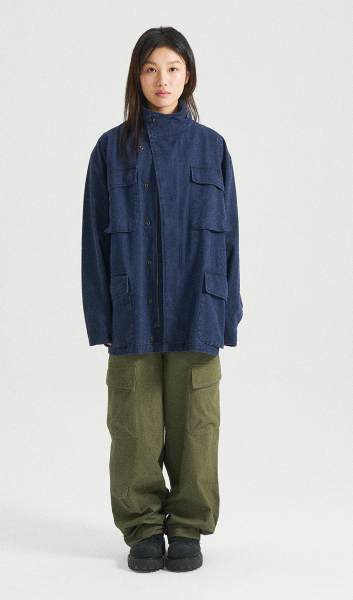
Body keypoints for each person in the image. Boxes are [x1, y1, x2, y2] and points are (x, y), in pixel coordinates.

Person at [81, 26, 243, 572]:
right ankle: (144, 528)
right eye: (150, 69)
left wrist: (227, 313)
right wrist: (101, 317)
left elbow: (231, 238)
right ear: (137, 76)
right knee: (134, 428)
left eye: (173, 68)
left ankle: (189, 528)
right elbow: (93, 240)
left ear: (188, 75)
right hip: (132, 314)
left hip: (199, 310)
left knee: (198, 427)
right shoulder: (110, 149)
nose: (162, 80)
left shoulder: (213, 147)